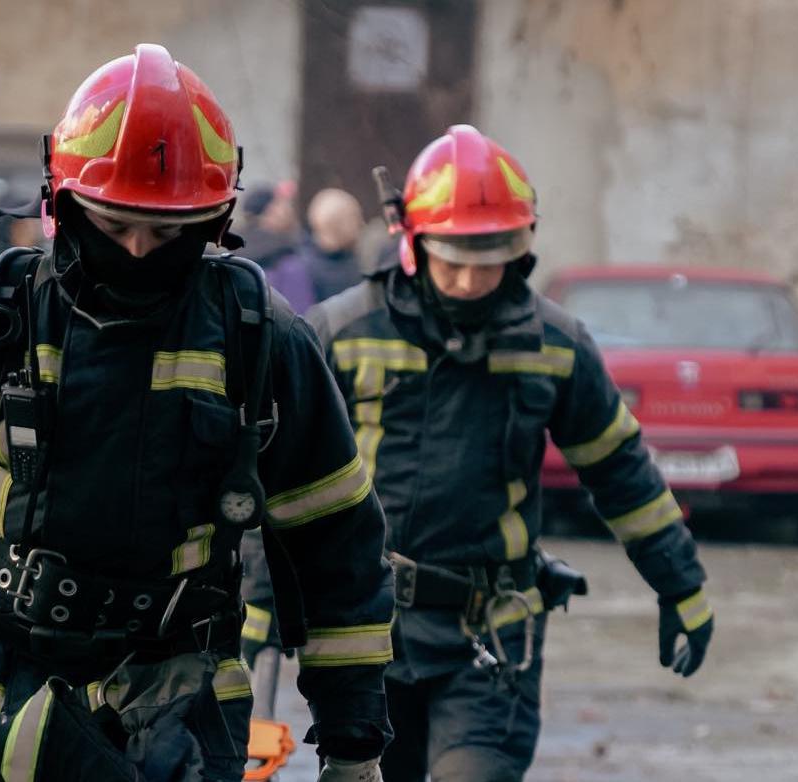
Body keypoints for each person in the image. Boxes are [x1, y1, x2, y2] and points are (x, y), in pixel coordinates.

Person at [0, 44, 393, 782]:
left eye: (166, 232)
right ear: (60, 203)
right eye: (113, 222)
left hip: (180, 718)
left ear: (215, 222)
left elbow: (334, 546)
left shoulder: (261, 342)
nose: (135, 250)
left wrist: (353, 747)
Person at [306, 125, 714, 781]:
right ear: (412, 244)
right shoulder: (339, 332)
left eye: (488, 257)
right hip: (365, 634)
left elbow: (617, 469)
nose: (469, 280)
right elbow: (281, 479)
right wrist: (261, 612)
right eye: (452, 259)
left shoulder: (554, 344)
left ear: (520, 247)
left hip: (488, 635)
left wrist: (680, 583)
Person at [235, 181, 315, 312]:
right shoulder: (289, 262)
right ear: (270, 212)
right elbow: (301, 318)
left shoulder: (234, 253)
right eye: (281, 203)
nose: (289, 209)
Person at [300, 188, 366, 302]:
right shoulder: (303, 270)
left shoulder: (358, 260)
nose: (362, 224)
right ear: (336, 223)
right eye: (355, 216)